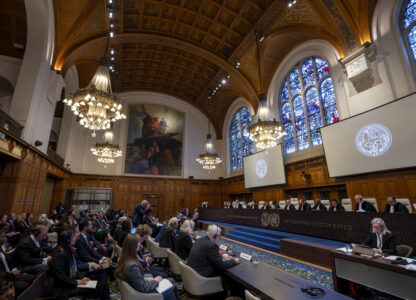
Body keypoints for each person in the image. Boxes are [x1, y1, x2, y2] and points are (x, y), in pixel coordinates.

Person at [45, 230, 110, 300]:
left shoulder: (67, 250)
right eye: (73, 237)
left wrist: (82, 278)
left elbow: (74, 269)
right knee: (95, 286)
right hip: (61, 288)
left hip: (68, 283)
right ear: (68, 240)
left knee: (99, 278)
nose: (76, 238)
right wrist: (76, 282)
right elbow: (61, 277)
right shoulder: (59, 255)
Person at [115, 234, 178, 300]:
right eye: (139, 243)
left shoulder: (125, 258)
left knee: (171, 289)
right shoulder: (132, 266)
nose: (140, 245)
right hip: (141, 295)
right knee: (172, 282)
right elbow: (142, 288)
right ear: (134, 246)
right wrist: (155, 281)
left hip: (135, 290)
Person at [0, 223, 35, 296]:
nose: (5, 239)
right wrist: (12, 275)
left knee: (33, 278)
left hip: (11, 273)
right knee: (25, 285)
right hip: (5, 281)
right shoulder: (26, 242)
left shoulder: (0, 248)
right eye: (3, 237)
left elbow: (8, 262)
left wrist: (13, 269)